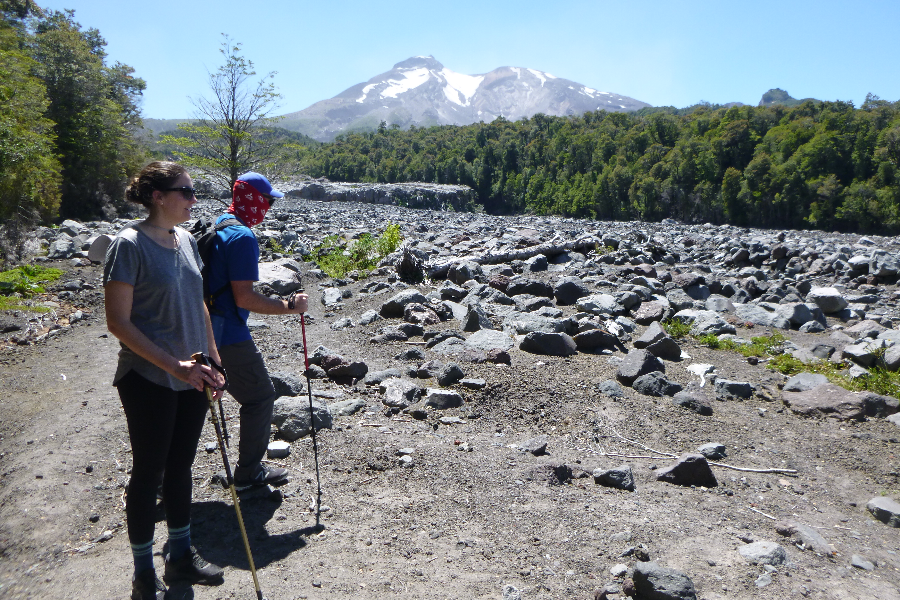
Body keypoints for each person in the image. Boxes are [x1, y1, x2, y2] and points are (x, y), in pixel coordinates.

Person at [104, 161, 226, 600]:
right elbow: (117, 322)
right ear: (158, 196)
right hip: (148, 377)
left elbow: (200, 305)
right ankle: (142, 571)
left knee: (181, 467)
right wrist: (175, 366)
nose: (194, 200)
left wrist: (212, 361)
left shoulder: (188, 240)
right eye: (186, 192)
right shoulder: (129, 245)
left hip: (193, 374)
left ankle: (180, 554)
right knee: (149, 471)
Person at [207, 172, 309, 490]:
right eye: (266, 201)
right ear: (253, 199)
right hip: (227, 333)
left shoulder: (216, 225)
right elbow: (245, 297)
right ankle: (248, 475)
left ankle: (161, 478)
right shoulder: (243, 237)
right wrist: (289, 306)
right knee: (261, 398)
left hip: (200, 326)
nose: (268, 207)